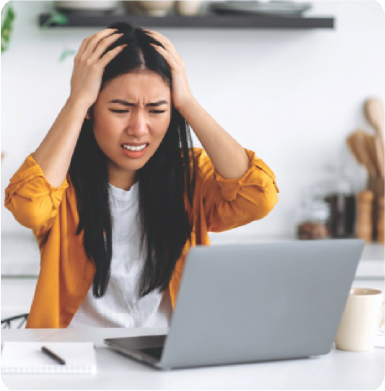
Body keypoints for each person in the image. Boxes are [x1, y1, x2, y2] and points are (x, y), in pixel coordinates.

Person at [4, 22, 279, 328]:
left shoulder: (190, 175)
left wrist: (187, 101)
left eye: (157, 110)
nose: (138, 128)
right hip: (73, 358)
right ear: (92, 109)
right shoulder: (61, 181)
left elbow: (258, 198)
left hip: (168, 359)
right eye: (120, 110)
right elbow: (30, 208)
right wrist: (77, 99)